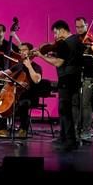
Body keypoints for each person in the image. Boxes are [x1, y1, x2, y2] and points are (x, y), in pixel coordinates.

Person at [34, 20, 84, 151]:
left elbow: (58, 63)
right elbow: (69, 58)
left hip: (66, 79)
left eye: (55, 33)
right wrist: (53, 54)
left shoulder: (65, 44)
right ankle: (64, 137)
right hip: (76, 78)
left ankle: (70, 141)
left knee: (65, 110)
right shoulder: (77, 40)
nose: (55, 37)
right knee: (68, 110)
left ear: (62, 30)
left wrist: (41, 56)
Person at [0, 42, 43, 138]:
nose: (21, 52)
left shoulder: (36, 67)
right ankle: (2, 129)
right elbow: (6, 73)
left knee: (23, 103)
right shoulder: (18, 65)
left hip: (29, 96)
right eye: (20, 50)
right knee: (0, 100)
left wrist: (29, 66)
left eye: (24, 50)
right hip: (15, 94)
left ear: (30, 51)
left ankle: (23, 129)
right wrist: (0, 73)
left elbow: (36, 80)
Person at [74, 17, 93, 140]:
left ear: (87, 25)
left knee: (85, 104)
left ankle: (86, 131)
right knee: (76, 104)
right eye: (77, 27)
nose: (79, 29)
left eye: (82, 26)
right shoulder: (75, 39)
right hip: (77, 75)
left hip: (88, 77)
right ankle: (76, 129)